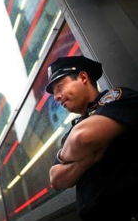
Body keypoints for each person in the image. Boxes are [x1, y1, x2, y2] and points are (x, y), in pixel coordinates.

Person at [47, 55, 138, 220]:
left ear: (82, 77)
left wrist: (70, 157)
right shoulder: (72, 128)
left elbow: (82, 138)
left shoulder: (117, 98)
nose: (56, 97)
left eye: (60, 87)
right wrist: (85, 161)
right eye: (55, 93)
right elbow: (55, 178)